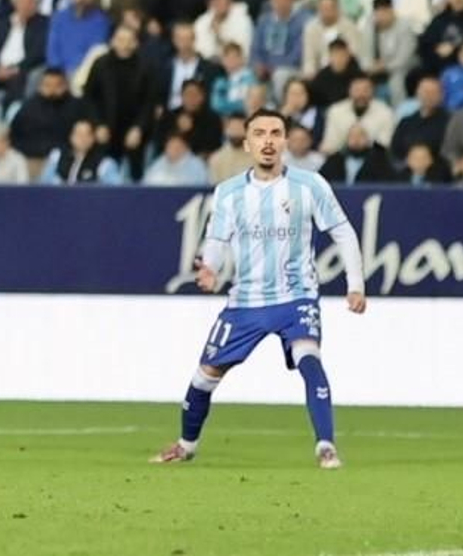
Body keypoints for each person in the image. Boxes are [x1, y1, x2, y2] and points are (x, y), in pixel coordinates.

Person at [151, 109, 366, 470]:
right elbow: (217, 241)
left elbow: (343, 232)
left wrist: (355, 285)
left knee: (309, 358)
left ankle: (326, 446)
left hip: (296, 295)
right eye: (260, 133)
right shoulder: (229, 193)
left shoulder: (310, 185)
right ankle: (186, 445)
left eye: (276, 133)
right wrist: (210, 269)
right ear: (247, 142)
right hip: (246, 302)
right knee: (205, 376)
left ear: (285, 141)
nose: (268, 140)